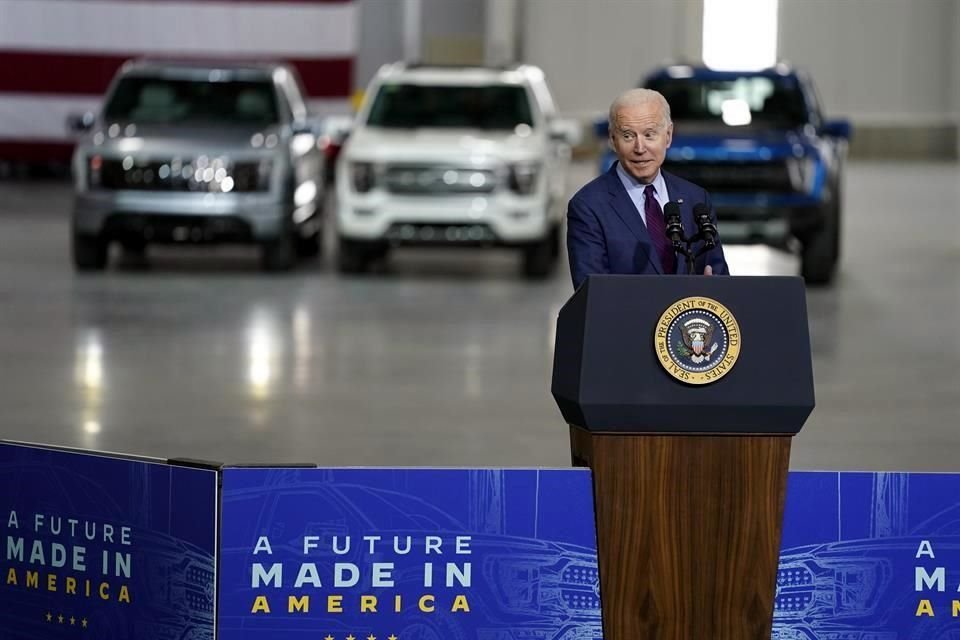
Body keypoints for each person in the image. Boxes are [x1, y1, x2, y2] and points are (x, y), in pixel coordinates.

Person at [566, 88, 729, 289]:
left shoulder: (696, 199)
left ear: (668, 136)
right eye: (628, 136)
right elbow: (590, 296)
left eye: (649, 135)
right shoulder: (589, 206)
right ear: (612, 139)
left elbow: (720, 281)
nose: (640, 148)